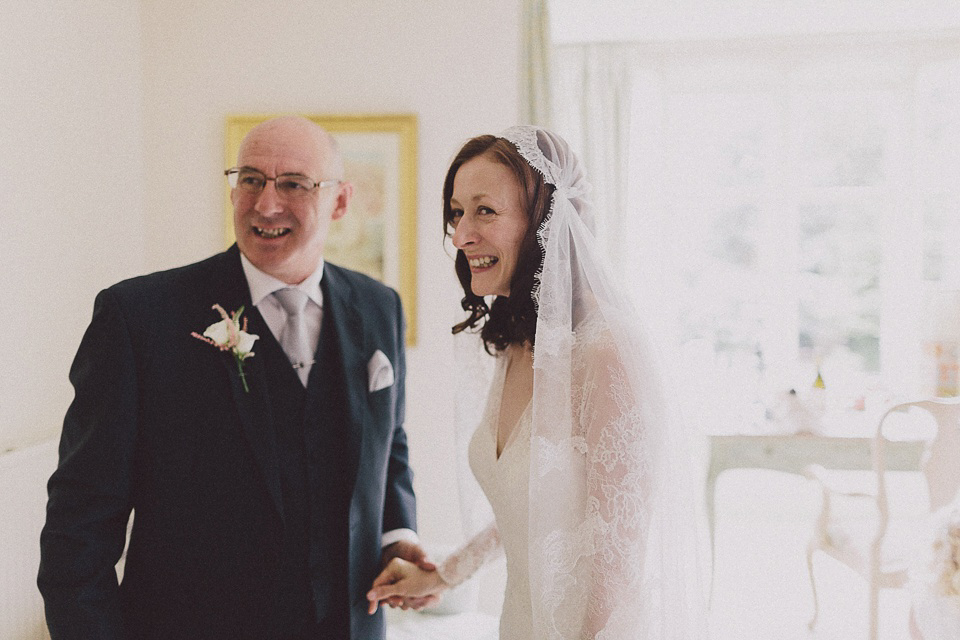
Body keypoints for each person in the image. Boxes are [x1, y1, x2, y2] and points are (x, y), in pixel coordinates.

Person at [38, 115, 429, 640]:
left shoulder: (380, 307)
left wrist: (397, 535)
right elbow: (78, 527)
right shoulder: (138, 317)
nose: (266, 205)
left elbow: (391, 445)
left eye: (293, 184)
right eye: (250, 179)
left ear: (339, 202)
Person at [367, 126, 709, 638]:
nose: (461, 235)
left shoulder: (607, 354)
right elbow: (529, 510)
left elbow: (616, 570)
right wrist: (442, 575)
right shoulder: (515, 342)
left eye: (485, 211)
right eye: (457, 212)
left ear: (545, 221)